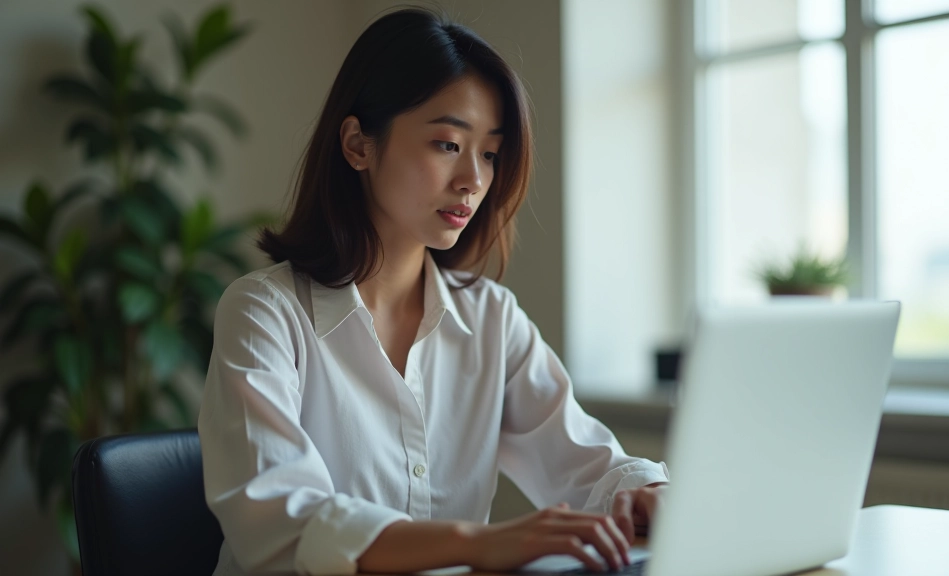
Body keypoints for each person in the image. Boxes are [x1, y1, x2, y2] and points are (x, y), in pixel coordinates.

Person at [198, 7, 669, 576]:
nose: (473, 178)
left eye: (490, 153)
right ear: (358, 146)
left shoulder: (492, 319)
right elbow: (284, 527)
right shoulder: (264, 313)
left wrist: (645, 490)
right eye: (448, 144)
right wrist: (476, 543)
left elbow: (588, 462)